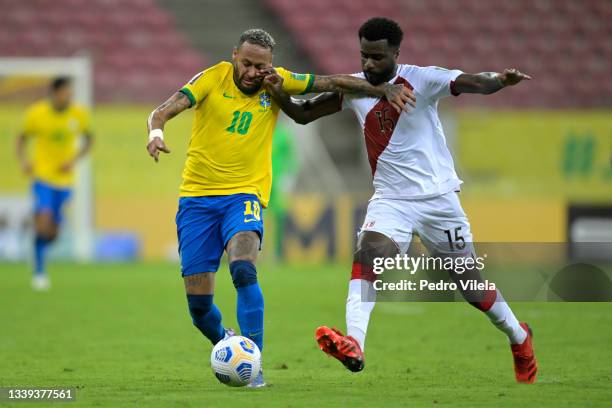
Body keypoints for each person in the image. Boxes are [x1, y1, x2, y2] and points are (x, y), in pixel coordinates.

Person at [262, 17, 537, 384]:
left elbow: (470, 81)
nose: (368, 65)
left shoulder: (422, 79)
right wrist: (279, 92)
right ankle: (355, 342)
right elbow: (304, 113)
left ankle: (519, 337)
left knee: (471, 286)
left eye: (377, 57)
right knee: (367, 257)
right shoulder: (356, 88)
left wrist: (499, 81)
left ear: (396, 53)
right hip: (391, 200)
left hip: (439, 200)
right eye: (363, 56)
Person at [145, 28, 414, 388]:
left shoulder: (278, 82)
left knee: (243, 268)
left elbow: (332, 81)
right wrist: (156, 134)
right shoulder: (213, 77)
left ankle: (253, 366)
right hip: (196, 200)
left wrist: (381, 88)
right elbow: (161, 111)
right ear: (234, 56)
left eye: (262, 66)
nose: (254, 72)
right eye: (247, 64)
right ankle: (227, 342)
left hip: (244, 195)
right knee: (198, 310)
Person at [16, 77, 93, 291]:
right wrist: (24, 161)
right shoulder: (36, 113)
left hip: (65, 181)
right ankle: (39, 272)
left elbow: (89, 139)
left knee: (53, 234)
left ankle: (37, 245)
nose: (69, 96)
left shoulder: (78, 114)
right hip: (43, 177)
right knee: (44, 220)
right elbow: (21, 139)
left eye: (71, 93)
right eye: (66, 93)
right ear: (54, 92)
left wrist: (74, 160)